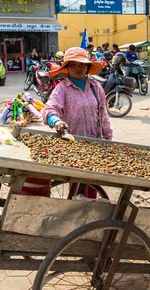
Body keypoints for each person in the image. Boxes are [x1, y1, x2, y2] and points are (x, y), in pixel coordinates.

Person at [43, 47, 113, 198]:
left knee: (92, 184)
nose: (78, 68)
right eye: (73, 64)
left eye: (81, 64)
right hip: (73, 146)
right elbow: (49, 110)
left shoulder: (96, 87)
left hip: (95, 144)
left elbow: (103, 115)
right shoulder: (62, 89)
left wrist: (109, 141)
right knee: (76, 188)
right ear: (67, 68)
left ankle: (90, 213)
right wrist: (56, 121)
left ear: (88, 67)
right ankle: (75, 214)